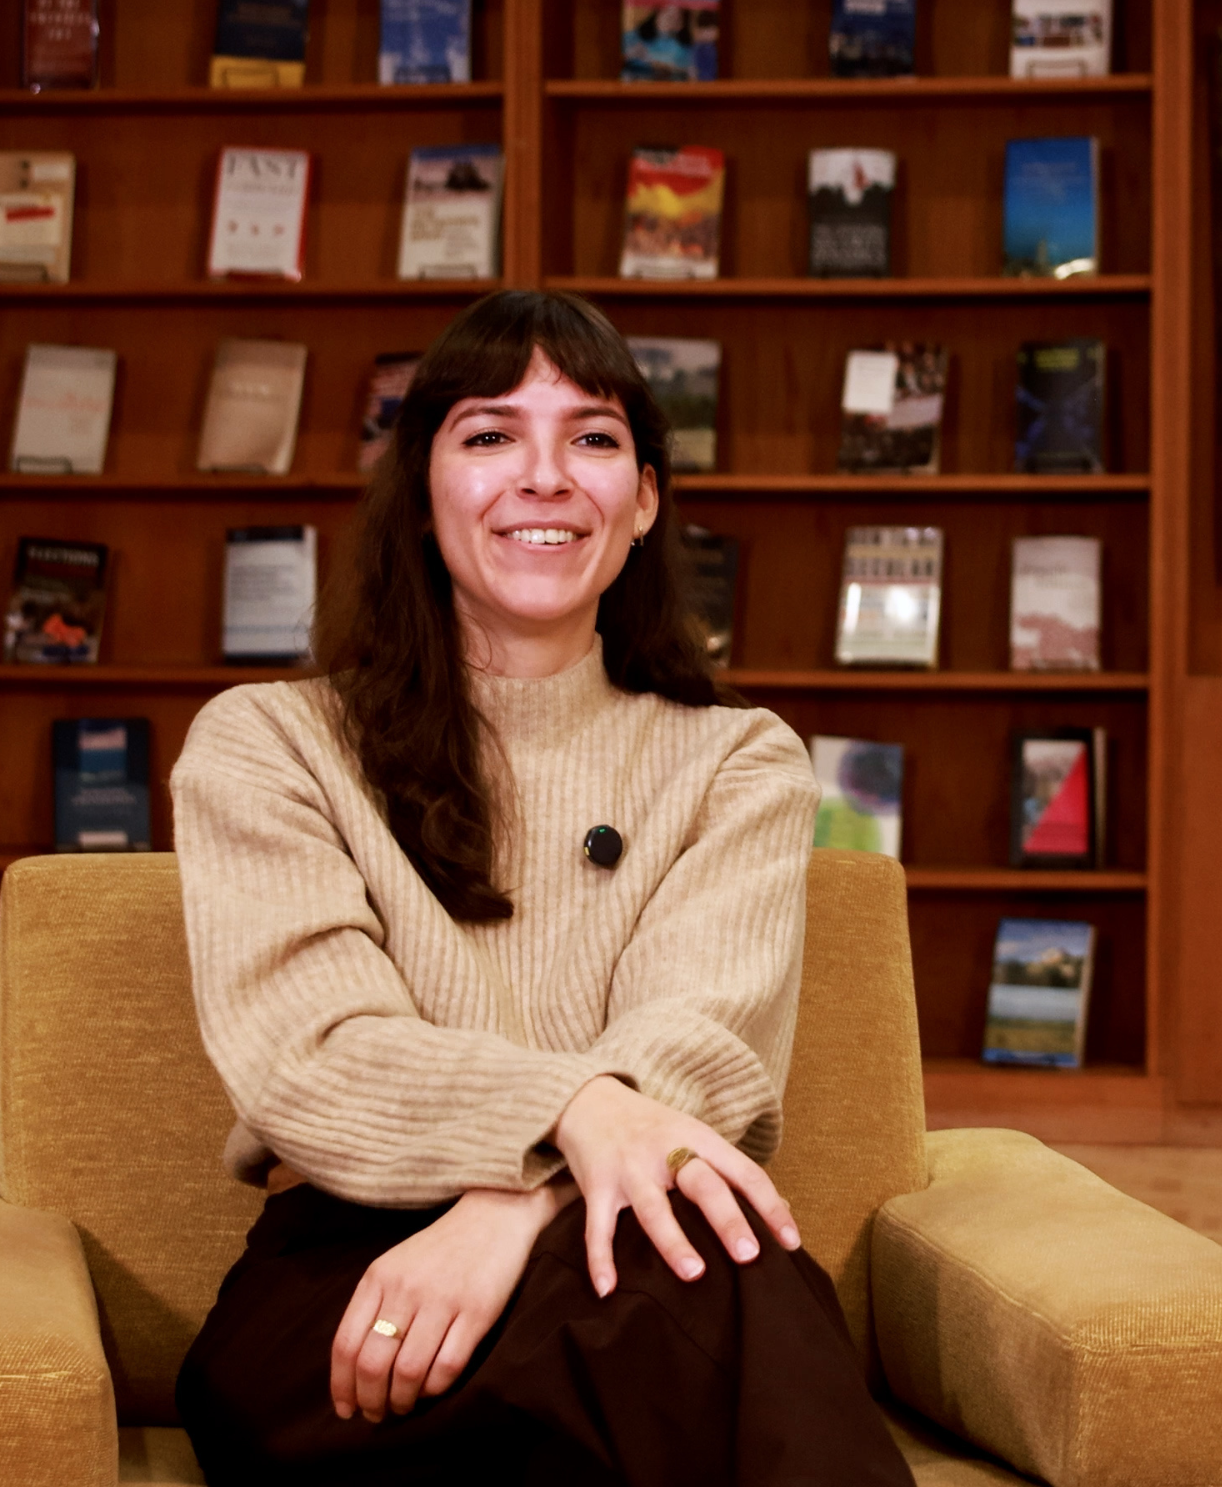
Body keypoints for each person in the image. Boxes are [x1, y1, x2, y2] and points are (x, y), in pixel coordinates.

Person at [171, 290, 914, 1486]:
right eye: (488, 435)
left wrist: (511, 1207)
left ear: (644, 503)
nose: (544, 476)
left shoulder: (737, 759)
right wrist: (581, 1116)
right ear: (421, 494)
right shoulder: (270, 743)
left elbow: (701, 1042)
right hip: (352, 1289)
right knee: (711, 1283)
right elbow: (310, 1053)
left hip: (623, 1244)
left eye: (593, 437)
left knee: (685, 1274)